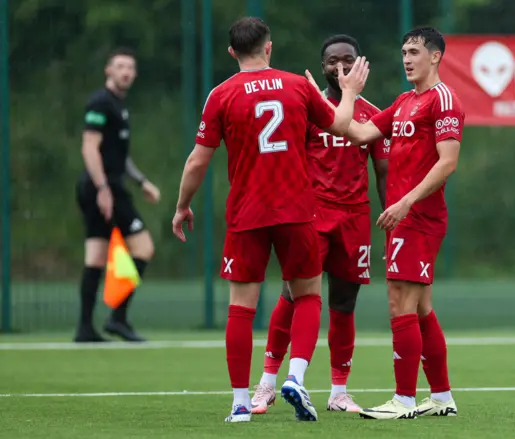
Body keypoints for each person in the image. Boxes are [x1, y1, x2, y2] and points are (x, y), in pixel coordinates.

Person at [171, 17, 369, 423]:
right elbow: (341, 124)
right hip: (297, 210)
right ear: (269, 48)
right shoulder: (298, 86)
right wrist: (348, 93)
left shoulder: (221, 95)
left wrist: (182, 206)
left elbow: (197, 161)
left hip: (247, 213)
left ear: (232, 53)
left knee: (241, 309)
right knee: (310, 296)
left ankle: (241, 403)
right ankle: (295, 377)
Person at [310, 26, 463, 420]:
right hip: (404, 218)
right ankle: (442, 397)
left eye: (414, 51)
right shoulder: (404, 102)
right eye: (403, 52)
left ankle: (404, 400)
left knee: (400, 303)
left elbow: (448, 162)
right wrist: (339, 99)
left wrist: (406, 202)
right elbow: (358, 132)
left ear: (435, 56)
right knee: (422, 308)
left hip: (418, 217)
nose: (407, 59)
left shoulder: (443, 100)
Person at [250, 34, 389, 415]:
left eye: (348, 60)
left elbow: (382, 171)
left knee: (344, 303)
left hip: (355, 217)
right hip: (311, 215)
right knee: (293, 296)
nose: (340, 67)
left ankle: (338, 392)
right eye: (332, 61)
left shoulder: (373, 114)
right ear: (322, 65)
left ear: (361, 65)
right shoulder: (307, 109)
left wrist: (390, 213)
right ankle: (265, 384)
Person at [74, 48, 160, 343]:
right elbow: (89, 147)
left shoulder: (118, 106)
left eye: (130, 68)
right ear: (108, 71)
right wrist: (103, 189)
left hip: (108, 186)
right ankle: (118, 318)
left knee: (96, 257)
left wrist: (141, 181)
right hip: (104, 188)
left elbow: (118, 156)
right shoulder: (100, 102)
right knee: (144, 247)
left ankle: (85, 329)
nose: (126, 72)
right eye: (120, 66)